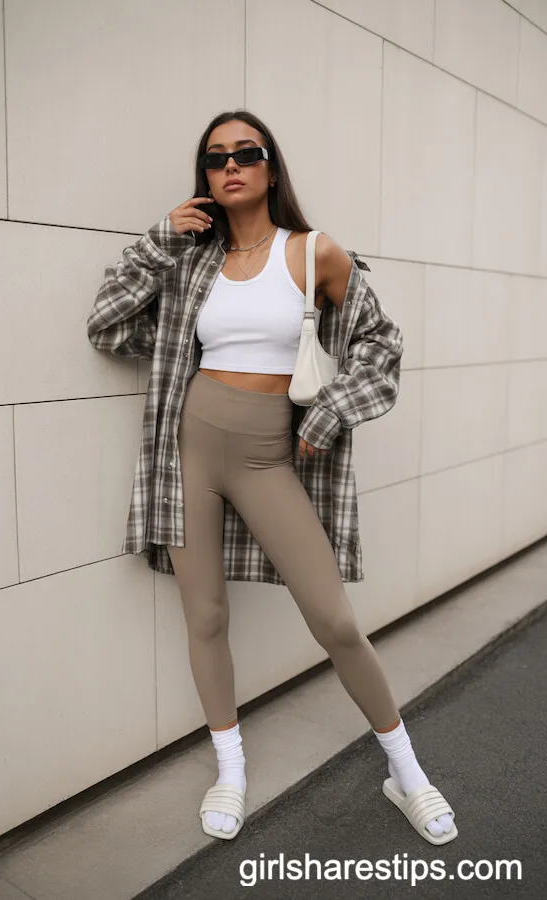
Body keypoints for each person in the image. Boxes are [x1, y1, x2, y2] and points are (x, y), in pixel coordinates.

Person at [87, 110, 457, 846]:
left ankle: (406, 770)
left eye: (246, 154)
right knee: (207, 618)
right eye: (215, 157)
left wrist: (330, 415)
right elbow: (107, 325)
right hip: (188, 451)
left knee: (336, 621)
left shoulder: (315, 252)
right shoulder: (191, 260)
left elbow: (381, 346)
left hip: (267, 458)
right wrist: (160, 241)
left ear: (271, 168)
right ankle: (230, 768)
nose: (231, 166)